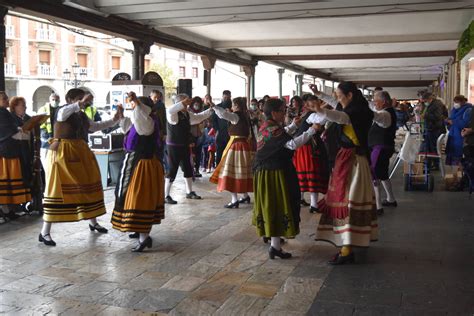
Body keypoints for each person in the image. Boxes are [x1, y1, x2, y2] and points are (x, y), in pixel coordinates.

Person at [39, 88, 124, 246]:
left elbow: (94, 127)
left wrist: (115, 119)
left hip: (80, 151)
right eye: (79, 98)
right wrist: (82, 102)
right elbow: (63, 115)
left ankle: (93, 222)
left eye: (83, 99)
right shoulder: (62, 110)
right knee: (57, 190)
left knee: (87, 186)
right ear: (71, 99)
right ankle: (45, 232)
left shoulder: (81, 114)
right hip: (63, 153)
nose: (84, 102)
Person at [310, 82, 377, 265]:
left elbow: (340, 117)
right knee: (350, 201)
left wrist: (321, 111)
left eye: (340, 96)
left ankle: (347, 249)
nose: (337, 99)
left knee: (347, 202)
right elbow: (336, 105)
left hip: (352, 162)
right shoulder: (354, 107)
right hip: (351, 159)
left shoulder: (357, 113)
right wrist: (319, 94)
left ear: (349, 96)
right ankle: (351, 242)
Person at [253, 98, 320, 259]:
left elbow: (280, 137)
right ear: (274, 113)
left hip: (267, 171)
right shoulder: (273, 128)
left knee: (275, 207)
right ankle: (274, 246)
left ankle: (275, 246)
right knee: (278, 206)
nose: (285, 113)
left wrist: (294, 126)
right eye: (283, 110)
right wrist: (311, 131)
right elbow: (290, 145)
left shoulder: (267, 125)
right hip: (273, 172)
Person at [111, 94, 165, 252]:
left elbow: (140, 117)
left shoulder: (147, 120)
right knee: (131, 196)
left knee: (139, 199)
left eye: (136, 105)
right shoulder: (143, 120)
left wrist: (137, 102)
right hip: (137, 163)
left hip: (142, 165)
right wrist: (120, 116)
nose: (134, 107)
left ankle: (144, 237)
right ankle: (139, 231)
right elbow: (129, 126)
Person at [165, 94, 214, 204]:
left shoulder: (187, 114)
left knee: (188, 168)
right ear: (178, 103)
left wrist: (211, 110)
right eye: (184, 102)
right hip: (173, 146)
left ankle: (189, 192)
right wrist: (182, 103)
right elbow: (170, 110)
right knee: (172, 169)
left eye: (187, 102)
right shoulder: (172, 113)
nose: (187, 104)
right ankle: (166, 195)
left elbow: (198, 117)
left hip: (184, 145)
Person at [210, 97, 254, 208]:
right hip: (243, 146)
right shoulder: (245, 115)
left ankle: (234, 200)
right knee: (241, 172)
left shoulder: (236, 116)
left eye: (233, 105)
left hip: (236, 146)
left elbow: (223, 115)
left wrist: (214, 106)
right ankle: (244, 196)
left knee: (231, 173)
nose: (232, 107)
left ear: (237, 106)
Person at [292, 94, 329, 213]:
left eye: (310, 103)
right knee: (310, 174)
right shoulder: (309, 115)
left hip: (307, 147)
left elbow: (319, 118)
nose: (307, 106)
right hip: (307, 148)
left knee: (308, 174)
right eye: (307, 104)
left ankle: (311, 203)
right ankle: (309, 202)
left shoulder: (311, 114)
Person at [0, 92, 31, 220]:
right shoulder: (2, 114)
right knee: (6, 181)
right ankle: (5, 208)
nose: (7, 100)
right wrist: (24, 134)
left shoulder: (5, 113)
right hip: (5, 152)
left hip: (11, 150)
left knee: (10, 182)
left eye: (7, 98)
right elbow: (8, 131)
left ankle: (8, 208)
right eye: (4, 98)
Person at [368, 91, 398, 215]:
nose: (374, 103)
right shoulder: (386, 111)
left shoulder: (385, 114)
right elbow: (372, 109)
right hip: (383, 147)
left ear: (384, 101)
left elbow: (375, 115)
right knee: (383, 174)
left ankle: (378, 206)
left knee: (374, 175)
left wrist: (364, 111)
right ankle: (391, 199)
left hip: (380, 148)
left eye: (376, 101)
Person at [420, 92, 446, 169]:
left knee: (434, 147)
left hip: (434, 129)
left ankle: (436, 164)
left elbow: (438, 117)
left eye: (425, 101)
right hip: (430, 128)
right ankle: (431, 163)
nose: (425, 103)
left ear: (429, 99)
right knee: (429, 147)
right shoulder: (430, 104)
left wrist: (426, 115)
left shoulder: (436, 104)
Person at [446, 95, 472, 167]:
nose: (455, 104)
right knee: (453, 155)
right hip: (453, 134)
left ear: (462, 102)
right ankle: (455, 174)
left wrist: (453, 122)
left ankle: (460, 173)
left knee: (459, 155)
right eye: (454, 102)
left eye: (456, 102)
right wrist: (447, 121)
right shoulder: (455, 110)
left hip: (460, 135)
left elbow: (465, 123)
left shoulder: (468, 110)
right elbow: (451, 118)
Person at [212, 90, 232, 165]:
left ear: (230, 97)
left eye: (228, 97)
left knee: (229, 153)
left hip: (231, 133)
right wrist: (217, 130)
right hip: (220, 132)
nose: (227, 99)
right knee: (219, 152)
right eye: (225, 97)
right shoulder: (218, 107)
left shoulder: (233, 107)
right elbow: (213, 120)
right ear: (222, 97)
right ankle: (218, 168)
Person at [38, 93, 60, 158]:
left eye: (56, 100)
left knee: (54, 152)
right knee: (45, 151)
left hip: (55, 133)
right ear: (49, 100)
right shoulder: (43, 109)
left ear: (59, 101)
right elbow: (42, 122)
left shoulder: (59, 109)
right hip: (45, 133)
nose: (55, 101)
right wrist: (49, 134)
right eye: (53, 99)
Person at [189, 96, 205, 178]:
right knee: (191, 153)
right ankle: (190, 170)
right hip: (190, 136)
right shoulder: (189, 111)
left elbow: (204, 123)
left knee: (198, 153)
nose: (197, 105)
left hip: (200, 135)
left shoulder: (202, 112)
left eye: (198, 104)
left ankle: (197, 169)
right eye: (195, 104)